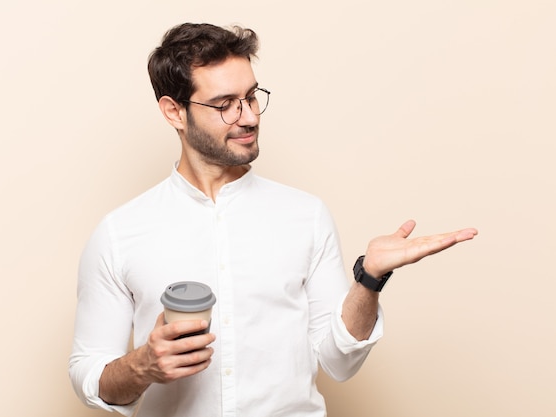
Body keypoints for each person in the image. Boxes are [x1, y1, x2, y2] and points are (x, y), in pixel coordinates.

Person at [69, 22, 478, 417]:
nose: (248, 117)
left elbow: (338, 362)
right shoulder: (120, 233)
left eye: (251, 97)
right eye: (224, 104)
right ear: (174, 111)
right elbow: (89, 374)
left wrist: (368, 280)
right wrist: (143, 366)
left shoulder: (306, 216)